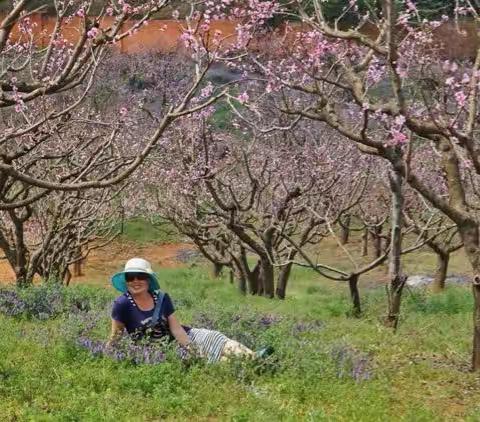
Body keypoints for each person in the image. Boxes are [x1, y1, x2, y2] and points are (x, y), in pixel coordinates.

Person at [108, 257, 269, 362]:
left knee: (217, 339)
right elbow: (116, 336)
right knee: (216, 361)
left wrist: (191, 348)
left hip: (186, 336)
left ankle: (255, 358)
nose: (136, 281)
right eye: (131, 277)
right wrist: (105, 354)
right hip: (159, 350)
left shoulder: (162, 298)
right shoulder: (122, 304)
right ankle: (251, 366)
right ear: (126, 281)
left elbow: (177, 329)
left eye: (140, 276)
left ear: (149, 280)